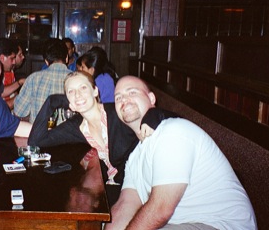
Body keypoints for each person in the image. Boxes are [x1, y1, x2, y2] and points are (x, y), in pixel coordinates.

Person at [106, 76, 257, 230]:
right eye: (118, 97)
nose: (124, 99)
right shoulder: (134, 157)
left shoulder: (172, 132)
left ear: (151, 98)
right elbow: (126, 205)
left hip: (220, 224)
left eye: (132, 92)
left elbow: (160, 209)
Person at [28, 71, 140, 206]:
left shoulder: (116, 112)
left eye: (83, 88)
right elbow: (36, 141)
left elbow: (151, 113)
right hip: (114, 188)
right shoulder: (76, 126)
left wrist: (152, 118)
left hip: (139, 186)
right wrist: (51, 102)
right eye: (71, 91)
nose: (78, 95)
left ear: (95, 91)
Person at [14, 39, 71, 123]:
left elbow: (19, 111)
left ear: (46, 62)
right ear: (66, 58)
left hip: (39, 134)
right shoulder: (77, 79)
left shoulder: (33, 78)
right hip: (69, 135)